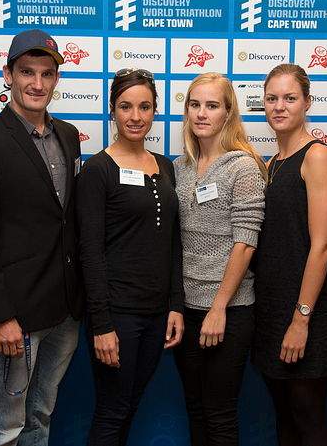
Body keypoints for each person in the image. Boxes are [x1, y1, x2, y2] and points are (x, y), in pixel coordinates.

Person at [0, 29, 85, 446]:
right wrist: (0, 316)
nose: (37, 83)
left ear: (56, 80)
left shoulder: (67, 135)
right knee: (3, 425)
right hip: (16, 318)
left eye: (47, 74)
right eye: (27, 72)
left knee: (40, 416)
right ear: (8, 74)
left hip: (64, 311)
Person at [76, 68, 185, 446]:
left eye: (144, 107)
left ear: (155, 111)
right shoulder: (97, 170)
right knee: (112, 411)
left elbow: (173, 242)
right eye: (125, 106)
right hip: (117, 314)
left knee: (130, 405)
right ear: (112, 110)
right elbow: (89, 251)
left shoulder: (165, 166)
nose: (135, 116)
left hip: (158, 314)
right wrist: (102, 323)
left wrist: (177, 305)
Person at [172, 72, 267, 445]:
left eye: (212, 105)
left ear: (228, 112)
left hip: (228, 310)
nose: (201, 113)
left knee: (220, 415)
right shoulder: (179, 166)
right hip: (186, 310)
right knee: (195, 409)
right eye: (194, 104)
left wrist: (219, 308)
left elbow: (246, 243)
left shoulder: (242, 167)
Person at [251, 63, 327, 446]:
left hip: (306, 310)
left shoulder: (317, 156)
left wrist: (301, 319)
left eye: (290, 98)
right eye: (272, 98)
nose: (279, 106)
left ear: (308, 103)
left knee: (308, 416)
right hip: (270, 309)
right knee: (284, 417)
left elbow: (322, 245)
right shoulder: (270, 164)